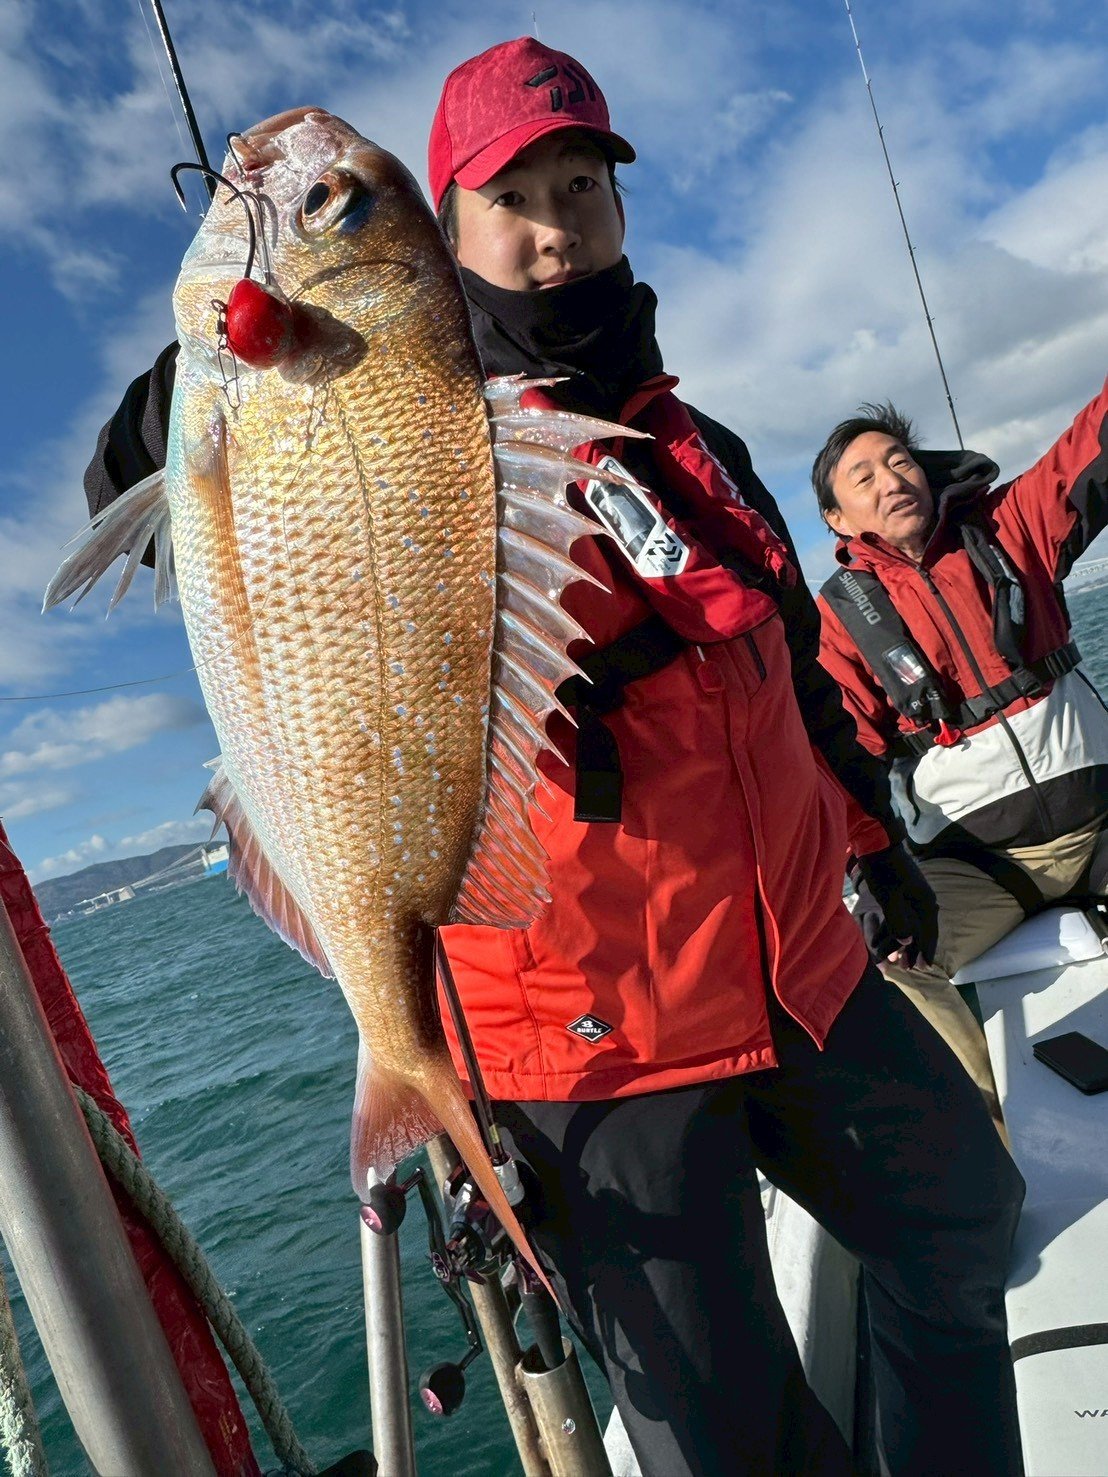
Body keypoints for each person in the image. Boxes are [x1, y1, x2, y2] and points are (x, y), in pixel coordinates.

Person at [85, 40, 1025, 1477]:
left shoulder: (700, 442)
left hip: (803, 971)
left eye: (581, 183)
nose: (554, 224)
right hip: (592, 1044)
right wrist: (201, 383)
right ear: (447, 231)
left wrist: (872, 836)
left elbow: (786, 658)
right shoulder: (406, 424)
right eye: (511, 197)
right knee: (727, 1440)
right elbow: (151, 499)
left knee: (962, 1226)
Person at [812, 401, 1108, 1123]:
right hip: (979, 867)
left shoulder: (1010, 527)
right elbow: (837, 767)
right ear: (836, 519)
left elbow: (1089, 450)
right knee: (887, 966)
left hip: (1101, 826)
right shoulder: (838, 625)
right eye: (863, 477)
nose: (891, 480)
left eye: (900, 461)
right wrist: (870, 875)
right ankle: (989, 1149)